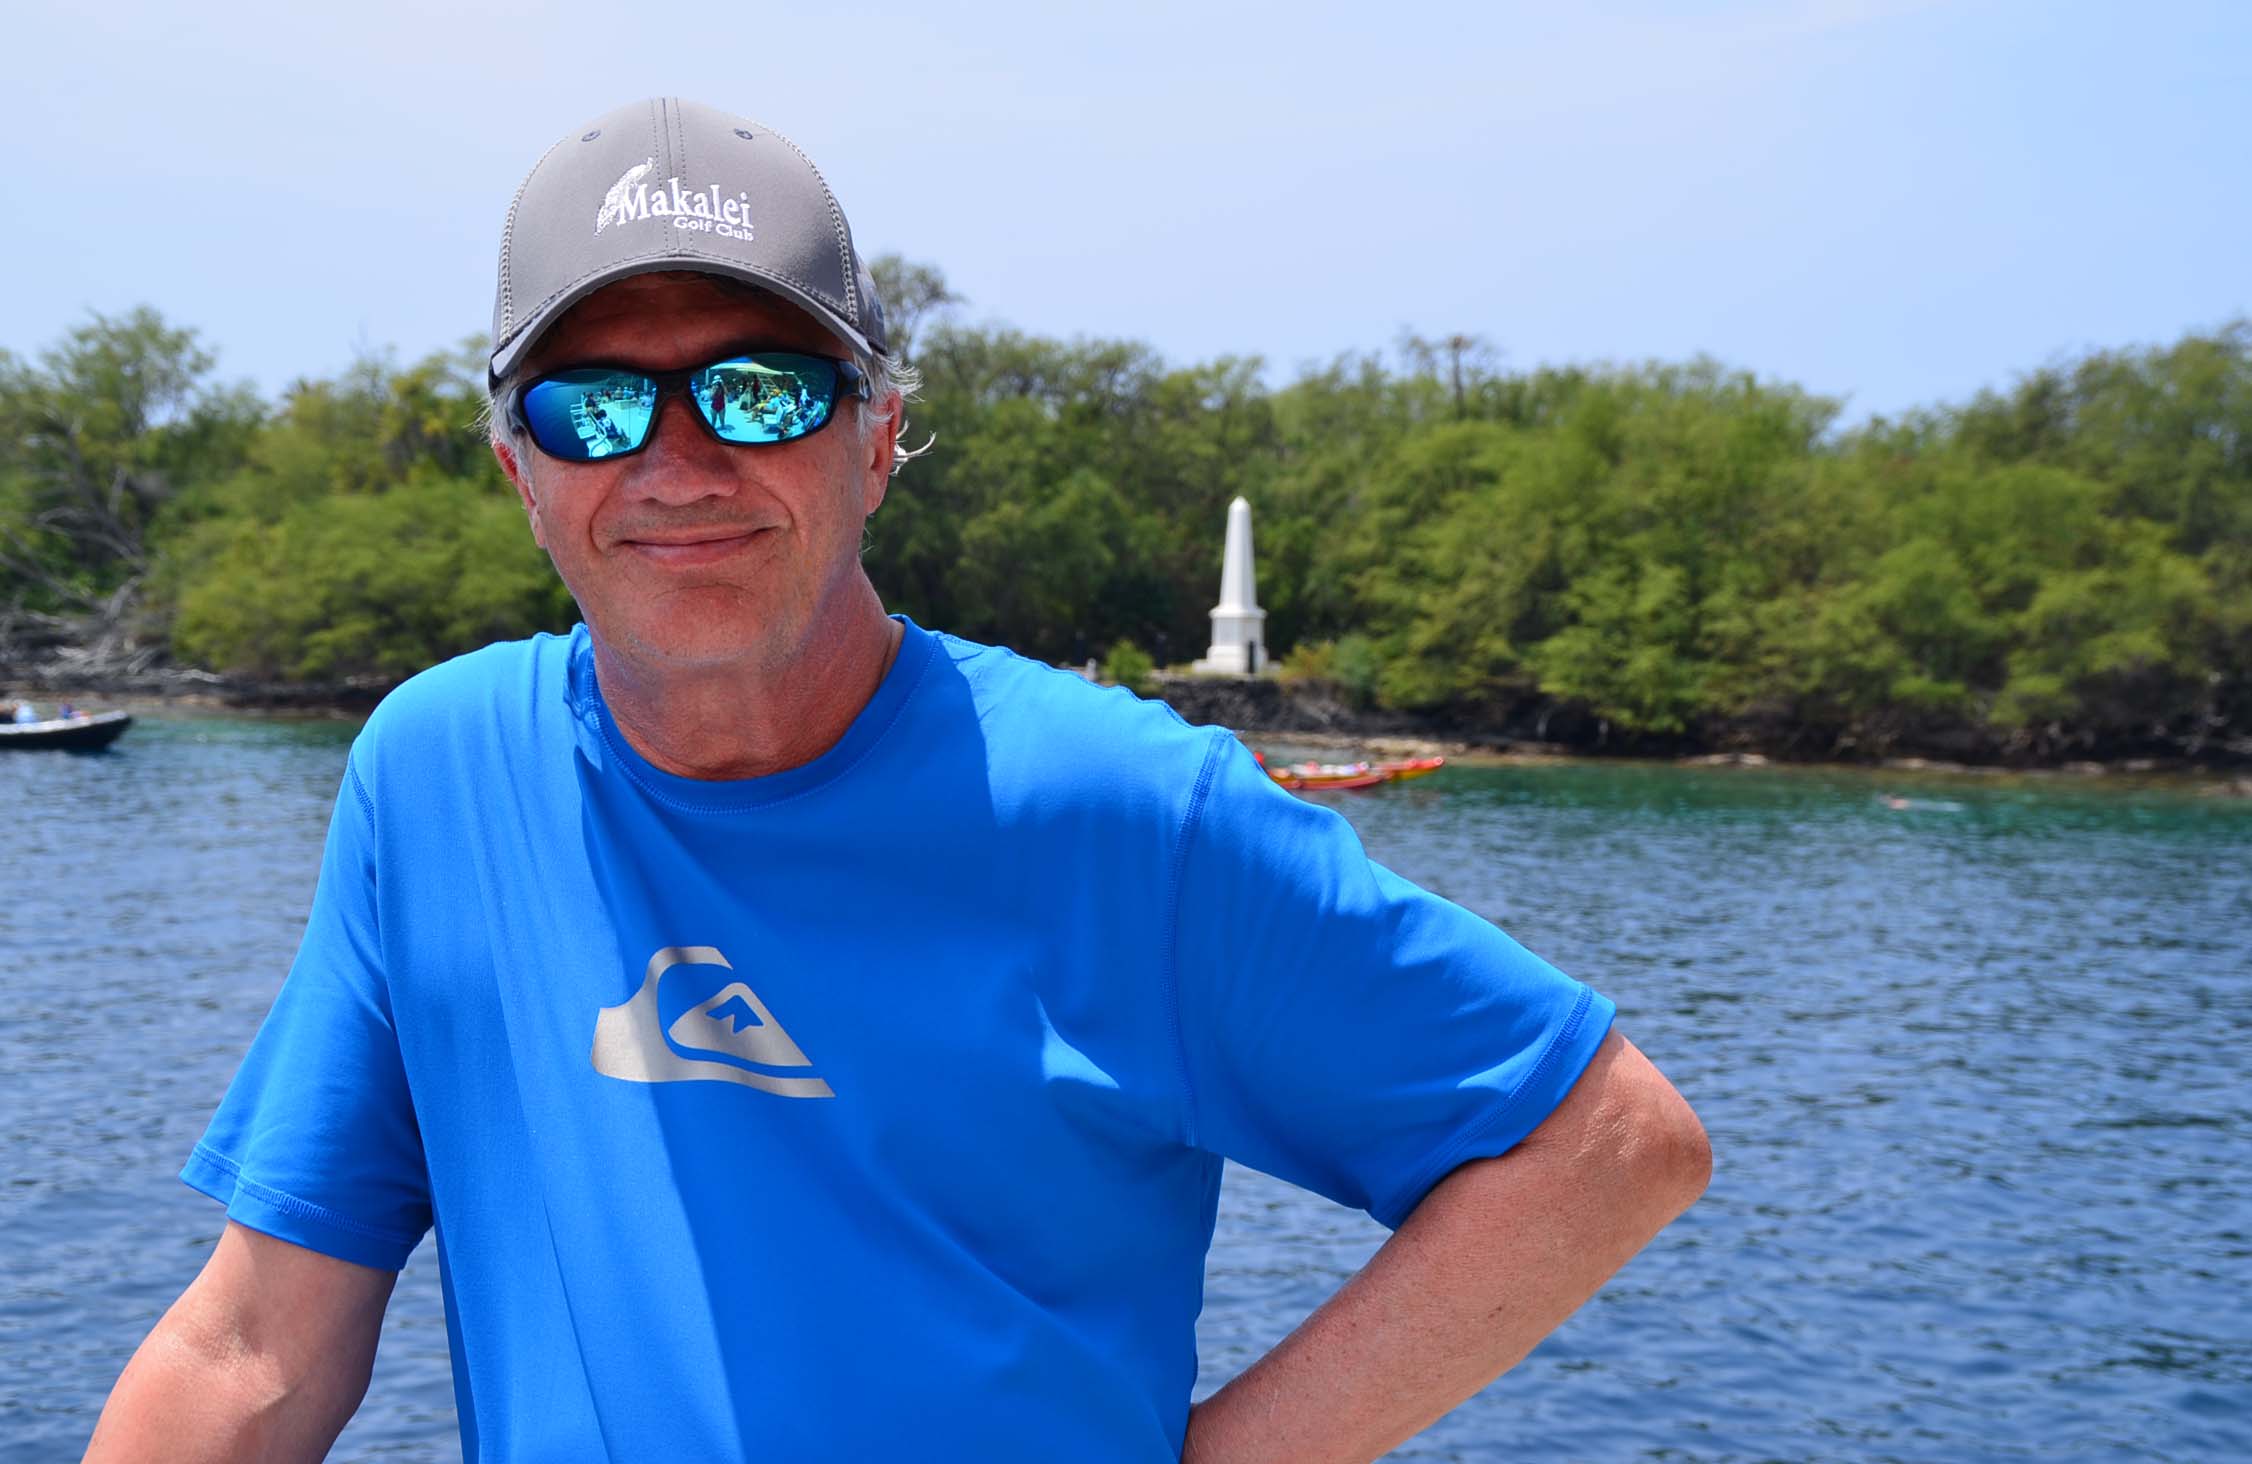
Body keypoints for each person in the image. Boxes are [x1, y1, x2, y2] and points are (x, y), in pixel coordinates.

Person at [87, 98, 1708, 1463]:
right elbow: (256, 1354)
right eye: (592, 402)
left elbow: (1608, 1146)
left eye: (761, 387)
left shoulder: (1118, 810)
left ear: (876, 437)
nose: (676, 459)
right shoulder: (434, 778)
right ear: (520, 469)